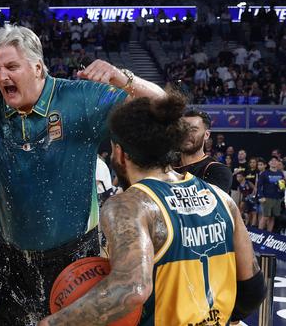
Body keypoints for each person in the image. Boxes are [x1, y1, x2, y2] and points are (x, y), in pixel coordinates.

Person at [0, 24, 166, 324]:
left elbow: (162, 108)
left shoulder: (80, 99)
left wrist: (123, 78)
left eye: (12, 67)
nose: (2, 76)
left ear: (38, 68)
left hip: (75, 257)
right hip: (7, 259)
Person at [39, 93, 265, 326]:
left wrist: (53, 322)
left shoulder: (130, 205)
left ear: (119, 152)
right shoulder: (221, 199)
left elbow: (131, 289)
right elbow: (254, 291)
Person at [174, 109, 233, 192]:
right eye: (183, 128)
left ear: (206, 135)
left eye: (193, 130)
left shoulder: (216, 170)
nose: (186, 134)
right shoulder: (165, 165)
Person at [257, 156, 286, 232]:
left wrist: (282, 191)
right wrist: (261, 196)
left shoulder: (280, 173)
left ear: (278, 163)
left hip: (277, 198)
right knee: (265, 216)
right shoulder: (264, 173)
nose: (274, 162)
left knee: (273, 217)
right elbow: (259, 186)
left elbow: (282, 186)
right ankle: (259, 233)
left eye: (275, 161)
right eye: (272, 160)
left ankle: (269, 234)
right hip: (267, 198)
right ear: (269, 163)